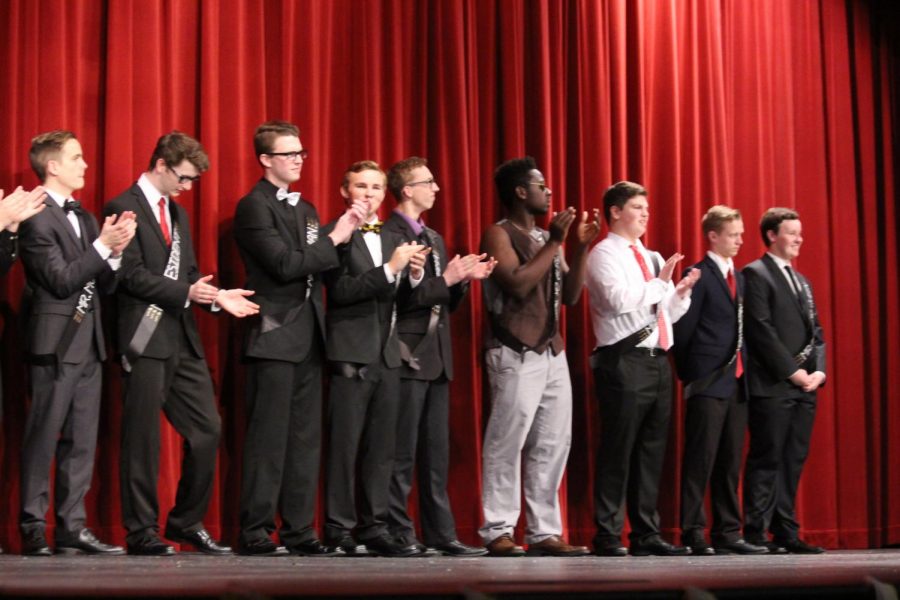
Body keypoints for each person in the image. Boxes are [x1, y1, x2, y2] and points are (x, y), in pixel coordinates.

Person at [103, 131, 259, 556]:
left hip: (182, 338)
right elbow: (128, 275)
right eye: (184, 178)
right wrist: (186, 293)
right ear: (161, 165)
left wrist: (216, 297)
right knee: (143, 439)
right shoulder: (123, 206)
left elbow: (186, 272)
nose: (188, 187)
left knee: (207, 430)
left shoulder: (177, 213)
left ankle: (186, 521)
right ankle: (141, 531)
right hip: (144, 334)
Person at [233, 121, 365, 556]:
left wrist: (343, 238)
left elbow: (318, 263)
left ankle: (298, 529)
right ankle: (255, 530)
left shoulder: (306, 208)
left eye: (301, 153)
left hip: (310, 333)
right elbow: (285, 265)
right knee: (268, 439)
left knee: (305, 439)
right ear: (266, 159)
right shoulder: (253, 206)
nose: (298, 159)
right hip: (273, 333)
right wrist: (336, 237)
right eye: (288, 153)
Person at [18, 130, 135, 556]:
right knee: (43, 434)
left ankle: (73, 526)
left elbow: (101, 282)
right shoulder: (35, 214)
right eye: (77, 157)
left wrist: (115, 251)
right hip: (54, 341)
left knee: (82, 438)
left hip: (90, 341)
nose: (85, 165)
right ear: (52, 165)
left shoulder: (85, 217)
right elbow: (60, 280)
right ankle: (33, 524)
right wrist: (103, 246)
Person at [478, 156, 597, 557]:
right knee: (507, 440)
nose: (548, 191)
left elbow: (573, 295)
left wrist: (580, 247)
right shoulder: (499, 234)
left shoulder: (549, 236)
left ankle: (545, 531)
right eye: (540, 185)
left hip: (551, 350)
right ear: (520, 191)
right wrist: (556, 243)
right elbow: (516, 284)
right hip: (515, 349)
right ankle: (498, 528)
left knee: (552, 442)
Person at [382, 157, 494, 557]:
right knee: (402, 451)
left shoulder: (435, 236)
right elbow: (399, 299)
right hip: (407, 353)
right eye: (428, 182)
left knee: (435, 452)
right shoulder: (389, 234)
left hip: (437, 355)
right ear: (407, 190)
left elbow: (442, 301)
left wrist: (462, 282)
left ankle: (441, 532)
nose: (437, 188)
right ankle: (399, 530)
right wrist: (445, 279)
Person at [586, 180, 699, 557]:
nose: (645, 214)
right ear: (615, 212)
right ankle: (607, 534)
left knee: (652, 451)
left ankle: (646, 534)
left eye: (646, 208)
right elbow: (618, 301)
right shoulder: (603, 254)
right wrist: (659, 285)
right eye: (637, 207)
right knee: (618, 448)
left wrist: (678, 294)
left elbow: (663, 311)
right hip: (623, 360)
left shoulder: (651, 257)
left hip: (657, 360)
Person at [322, 160, 425, 557]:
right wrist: (389, 270)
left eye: (376, 188)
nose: (368, 194)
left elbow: (403, 298)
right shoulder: (338, 234)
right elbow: (342, 290)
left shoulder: (388, 236)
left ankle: (374, 525)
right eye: (361, 187)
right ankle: (338, 526)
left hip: (386, 352)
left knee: (382, 447)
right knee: (346, 444)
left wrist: (412, 275)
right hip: (351, 351)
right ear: (345, 191)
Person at [672, 206, 766, 556]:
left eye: (741, 234)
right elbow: (684, 328)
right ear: (713, 235)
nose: (740, 240)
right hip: (708, 380)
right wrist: (692, 375)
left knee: (730, 461)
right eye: (733, 234)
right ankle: (694, 530)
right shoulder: (698, 273)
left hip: (737, 382)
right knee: (701, 458)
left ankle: (728, 530)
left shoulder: (739, 277)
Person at [741, 207, 826, 554]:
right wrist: (792, 372)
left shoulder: (802, 280)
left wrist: (818, 372)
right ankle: (756, 532)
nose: (799, 239)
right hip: (773, 384)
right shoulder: (755, 273)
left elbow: (816, 331)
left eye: (800, 232)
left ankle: (786, 529)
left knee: (793, 458)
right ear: (772, 235)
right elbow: (760, 330)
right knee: (767, 457)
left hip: (806, 386)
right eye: (792, 232)